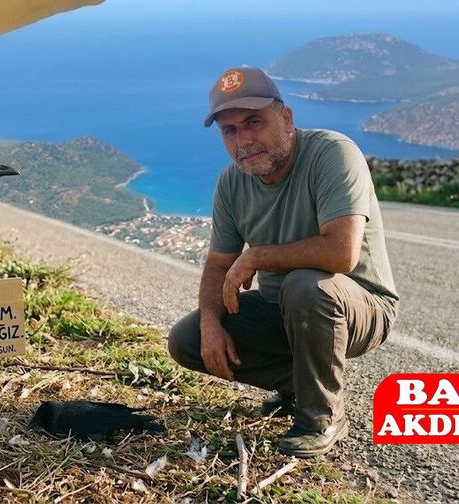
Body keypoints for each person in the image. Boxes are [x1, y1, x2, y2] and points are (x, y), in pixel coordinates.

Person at [168, 67, 399, 457]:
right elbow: (217, 266)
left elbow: (341, 253)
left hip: (358, 306)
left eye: (254, 122)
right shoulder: (231, 184)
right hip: (284, 309)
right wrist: (210, 323)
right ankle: (302, 384)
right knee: (187, 340)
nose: (244, 139)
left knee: (305, 284)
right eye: (230, 130)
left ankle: (321, 417)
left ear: (286, 117)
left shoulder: (331, 153)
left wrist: (258, 255)